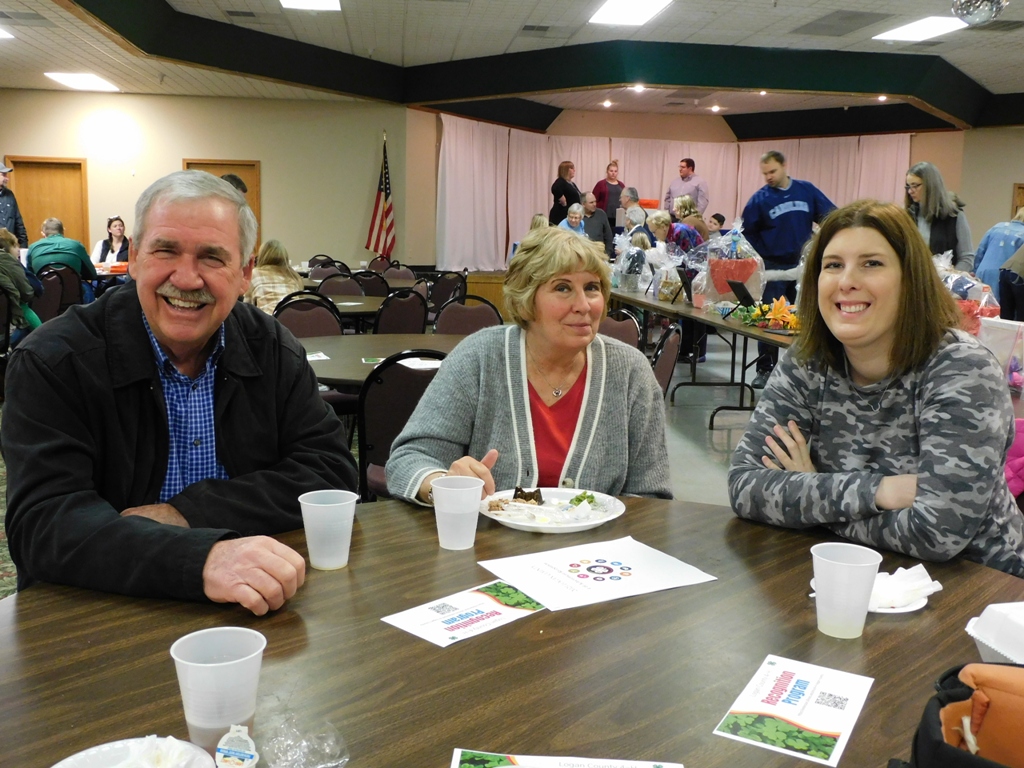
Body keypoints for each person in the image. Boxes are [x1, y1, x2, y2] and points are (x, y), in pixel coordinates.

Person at [2, 170, 358, 614]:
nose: (187, 279)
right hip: (102, 615)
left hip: (256, 608)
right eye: (166, 250)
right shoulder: (54, 360)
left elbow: (330, 472)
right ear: (134, 257)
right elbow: (44, 524)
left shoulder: (271, 347)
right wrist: (198, 558)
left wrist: (188, 514)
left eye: (212, 257)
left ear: (245, 273)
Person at [729, 199, 1024, 576]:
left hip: (980, 586)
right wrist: (880, 491)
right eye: (833, 265)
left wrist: (812, 495)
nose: (846, 281)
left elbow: (936, 533)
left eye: (871, 263)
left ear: (910, 280)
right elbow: (745, 486)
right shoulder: (807, 362)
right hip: (852, 575)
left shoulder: (962, 369)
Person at [386, 226, 672, 503]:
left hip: (600, 538)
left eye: (592, 288)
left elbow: (652, 496)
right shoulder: (479, 357)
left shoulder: (631, 372)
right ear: (526, 299)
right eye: (563, 288)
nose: (584, 305)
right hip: (489, 535)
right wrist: (443, 483)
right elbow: (409, 459)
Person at [741, 150, 835, 389]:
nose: (769, 177)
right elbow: (747, 233)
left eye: (773, 171)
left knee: (806, 317)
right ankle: (765, 368)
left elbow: (830, 216)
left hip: (802, 265)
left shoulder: (806, 190)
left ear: (784, 166)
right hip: (773, 267)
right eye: (765, 173)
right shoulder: (759, 199)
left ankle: (805, 370)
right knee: (771, 319)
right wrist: (761, 256)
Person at [648, 210, 707, 362]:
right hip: (689, 274)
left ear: (663, 227)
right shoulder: (671, 234)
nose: (654, 235)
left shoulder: (679, 232)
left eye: (654, 232)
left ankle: (699, 352)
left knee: (697, 314)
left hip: (698, 274)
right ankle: (685, 350)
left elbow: (690, 258)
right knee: (686, 313)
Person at [905, 161, 973, 270]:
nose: (910, 191)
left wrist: (949, 276)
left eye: (915, 186)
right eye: (908, 186)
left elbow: (967, 259)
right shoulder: (907, 216)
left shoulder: (954, 216)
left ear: (930, 186)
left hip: (944, 279)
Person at [973, 208, 1024, 303]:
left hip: (983, 272)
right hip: (1005, 277)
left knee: (979, 306)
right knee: (998, 308)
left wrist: (975, 271)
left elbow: (980, 252)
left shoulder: (997, 227)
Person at [0, 227, 38, 347]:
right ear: (7, 247)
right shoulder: (8, 262)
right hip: (7, 326)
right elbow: (27, 293)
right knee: (22, 306)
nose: (18, 250)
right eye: (15, 245)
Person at [244, 238, 304, 314]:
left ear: (261, 256)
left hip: (267, 319)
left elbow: (246, 306)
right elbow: (300, 303)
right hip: (293, 318)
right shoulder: (294, 276)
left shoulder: (254, 273)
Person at [27, 217, 97, 280]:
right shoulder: (76, 245)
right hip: (73, 289)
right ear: (63, 230)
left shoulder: (33, 247)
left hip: (44, 289)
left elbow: (30, 276)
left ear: (43, 233)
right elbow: (92, 274)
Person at [0, 162, 28, 248]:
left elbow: (18, 222)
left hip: (9, 247)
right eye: (4, 175)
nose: (7, 178)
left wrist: (24, 246)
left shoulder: (9, 194)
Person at [582, 192, 614, 260]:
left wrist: (607, 255)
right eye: (591, 202)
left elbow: (608, 237)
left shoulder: (601, 214)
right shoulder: (577, 217)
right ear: (583, 204)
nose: (595, 204)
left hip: (600, 256)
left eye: (595, 201)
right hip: (583, 257)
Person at [549, 160, 581, 226]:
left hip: (569, 215)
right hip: (561, 216)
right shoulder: (561, 181)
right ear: (565, 170)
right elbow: (555, 188)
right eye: (571, 168)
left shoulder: (571, 183)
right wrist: (562, 199)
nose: (574, 170)